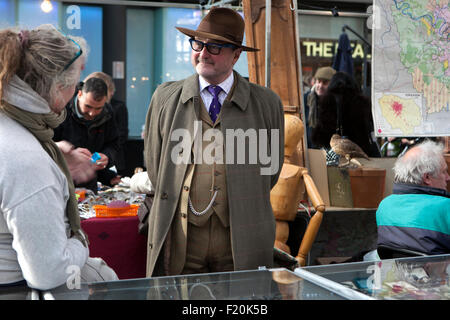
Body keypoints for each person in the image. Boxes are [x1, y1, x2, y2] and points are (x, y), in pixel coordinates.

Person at [143, 7, 284, 277]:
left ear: (236, 54)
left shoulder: (266, 103)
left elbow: (271, 171)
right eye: (198, 43)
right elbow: (154, 165)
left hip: (240, 240)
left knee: (243, 300)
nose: (203, 53)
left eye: (215, 47)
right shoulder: (165, 98)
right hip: (183, 239)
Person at [0, 24, 117, 292]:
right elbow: (49, 272)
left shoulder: (14, 130)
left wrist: (51, 153)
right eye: (75, 84)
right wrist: (80, 241)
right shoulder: (26, 158)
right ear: (58, 89)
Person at [376, 140, 450, 255]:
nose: (448, 177)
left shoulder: (384, 205)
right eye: (444, 172)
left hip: (396, 271)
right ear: (427, 178)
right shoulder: (446, 207)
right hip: (437, 272)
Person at [53, 77, 121, 192]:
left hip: (89, 185)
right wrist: (67, 154)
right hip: (60, 182)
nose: (92, 113)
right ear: (79, 94)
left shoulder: (108, 112)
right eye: (88, 106)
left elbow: (114, 144)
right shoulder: (61, 109)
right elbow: (44, 144)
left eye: (98, 108)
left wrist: (107, 156)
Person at [310, 71, 380, 157]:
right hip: (361, 153)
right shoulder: (362, 103)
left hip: (337, 154)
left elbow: (321, 135)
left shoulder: (327, 101)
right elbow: (367, 130)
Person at [84, 71, 129, 176]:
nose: (92, 113)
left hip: (111, 163)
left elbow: (119, 138)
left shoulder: (116, 108)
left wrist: (103, 155)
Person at [303, 66, 335, 148]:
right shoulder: (307, 98)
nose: (320, 86)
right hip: (308, 148)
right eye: (318, 82)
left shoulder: (336, 102)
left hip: (327, 150)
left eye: (325, 83)